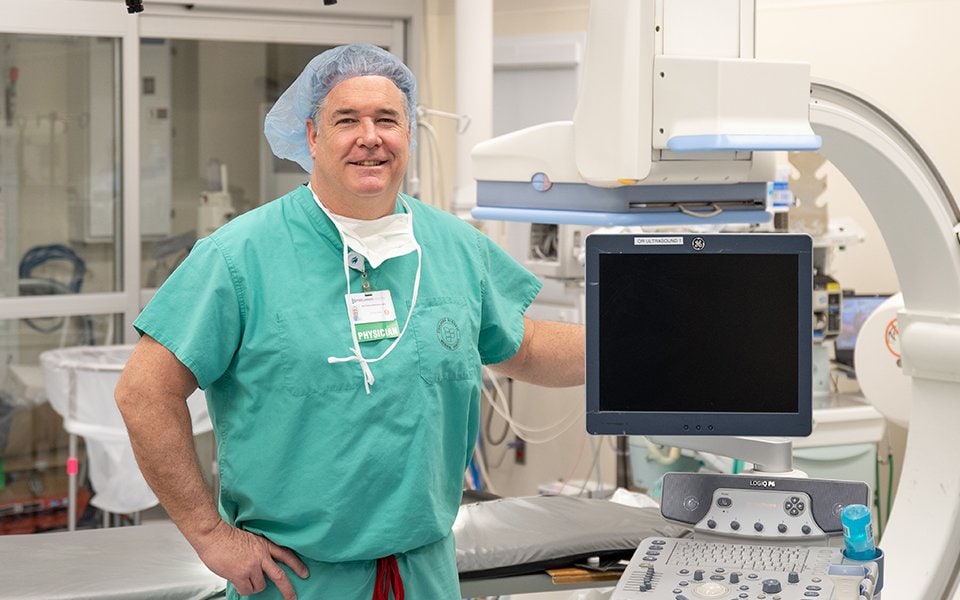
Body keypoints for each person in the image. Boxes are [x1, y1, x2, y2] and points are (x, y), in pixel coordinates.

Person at [115, 43, 584, 600]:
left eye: (387, 119)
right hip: (296, 580)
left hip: (425, 571)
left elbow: (523, 346)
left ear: (408, 134)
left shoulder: (456, 247)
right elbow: (144, 394)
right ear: (312, 136)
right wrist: (209, 533)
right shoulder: (240, 256)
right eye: (347, 120)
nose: (370, 136)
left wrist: (630, 341)